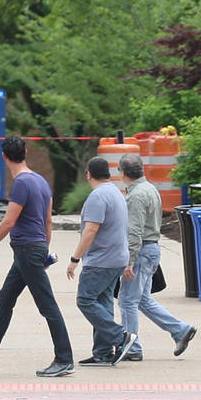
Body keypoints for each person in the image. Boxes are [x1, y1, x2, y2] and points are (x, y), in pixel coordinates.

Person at [0, 134, 75, 377]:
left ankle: (64, 358)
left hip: (27, 250)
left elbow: (8, 222)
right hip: (32, 249)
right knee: (4, 300)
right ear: (26, 152)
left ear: (3, 156)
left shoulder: (21, 184)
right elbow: (48, 222)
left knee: (47, 305)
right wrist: (44, 250)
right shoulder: (41, 181)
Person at [116, 153, 195, 361]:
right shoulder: (150, 189)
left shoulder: (135, 196)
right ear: (141, 169)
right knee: (142, 299)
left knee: (127, 301)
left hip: (141, 251)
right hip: (151, 250)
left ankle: (131, 348)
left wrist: (129, 260)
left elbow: (134, 231)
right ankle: (180, 330)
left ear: (123, 173)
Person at [66, 155, 137, 365]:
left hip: (101, 260)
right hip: (117, 259)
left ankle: (120, 337)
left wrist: (74, 259)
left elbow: (91, 230)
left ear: (88, 175)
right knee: (103, 303)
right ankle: (103, 353)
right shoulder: (116, 192)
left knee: (85, 300)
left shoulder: (98, 197)